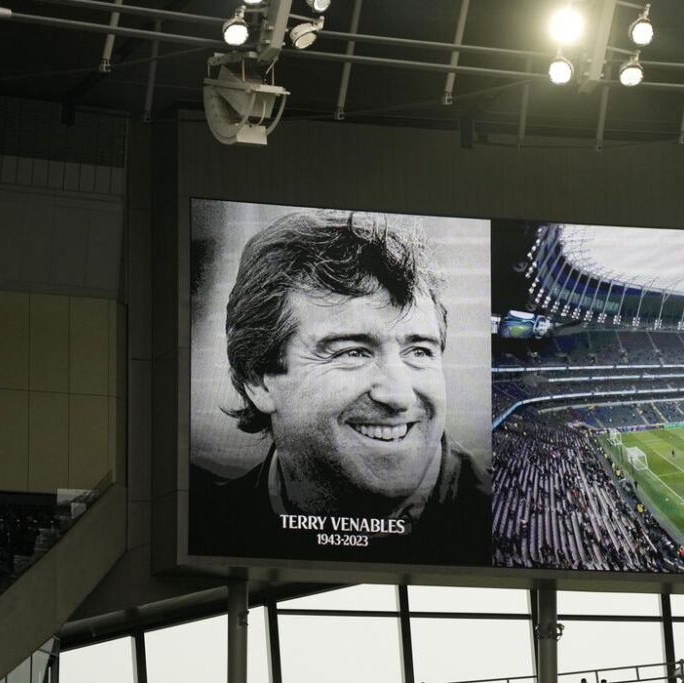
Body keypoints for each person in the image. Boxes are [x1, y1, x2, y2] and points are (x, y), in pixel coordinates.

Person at [190, 210, 490, 564]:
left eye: (419, 351)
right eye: (352, 352)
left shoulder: (497, 526)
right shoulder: (204, 527)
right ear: (258, 379)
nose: (397, 395)